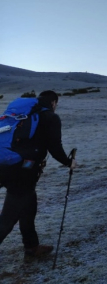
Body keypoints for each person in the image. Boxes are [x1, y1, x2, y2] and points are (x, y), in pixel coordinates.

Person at [0, 90, 77, 258]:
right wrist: (68, 162)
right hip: (21, 171)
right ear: (53, 102)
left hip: (5, 164)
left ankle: (32, 247)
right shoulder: (50, 117)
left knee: (29, 206)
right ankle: (31, 247)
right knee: (9, 217)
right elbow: (55, 147)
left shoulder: (23, 113)